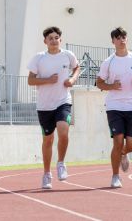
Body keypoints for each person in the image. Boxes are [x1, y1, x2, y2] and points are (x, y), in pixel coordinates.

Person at [27, 26, 80, 190]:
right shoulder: (39, 58)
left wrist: (72, 79)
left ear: (60, 40)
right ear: (45, 41)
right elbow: (30, 81)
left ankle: (61, 163)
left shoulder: (68, 55)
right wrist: (47, 80)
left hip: (63, 101)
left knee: (63, 131)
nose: (54, 40)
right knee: (48, 140)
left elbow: (77, 68)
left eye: (56, 37)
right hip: (44, 106)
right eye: (50, 38)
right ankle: (46, 174)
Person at [96, 27, 132, 188]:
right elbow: (99, 82)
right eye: (117, 37)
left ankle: (123, 154)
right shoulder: (108, 62)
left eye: (123, 36)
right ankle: (115, 176)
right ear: (113, 41)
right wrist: (111, 86)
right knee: (117, 141)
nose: (121, 39)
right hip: (114, 106)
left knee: (131, 144)